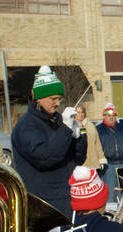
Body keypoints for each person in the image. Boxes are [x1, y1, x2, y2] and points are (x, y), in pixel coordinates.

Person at [11, 66, 86, 215]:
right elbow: (45, 157)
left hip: (68, 195)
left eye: (59, 99)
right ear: (39, 98)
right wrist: (65, 130)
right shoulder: (26, 126)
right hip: (44, 201)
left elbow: (79, 158)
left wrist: (79, 137)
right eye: (53, 99)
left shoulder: (59, 120)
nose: (58, 103)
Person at [95, 103, 123, 191]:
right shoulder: (98, 130)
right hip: (107, 167)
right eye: (108, 115)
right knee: (109, 193)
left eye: (114, 115)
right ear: (104, 116)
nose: (111, 117)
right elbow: (94, 147)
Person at [74, 104, 106, 169]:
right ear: (74, 114)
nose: (81, 114)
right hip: (79, 164)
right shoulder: (73, 126)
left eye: (82, 112)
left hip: (93, 162)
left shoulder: (91, 125)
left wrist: (101, 158)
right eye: (78, 112)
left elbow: (97, 144)